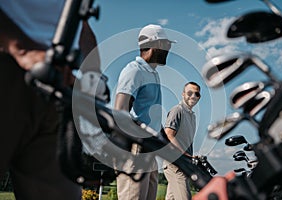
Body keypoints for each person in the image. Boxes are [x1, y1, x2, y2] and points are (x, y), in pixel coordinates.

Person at [0, 1, 103, 199]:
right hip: (9, 64)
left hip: (57, 83)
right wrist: (21, 48)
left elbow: (82, 24)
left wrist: (93, 77)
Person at [114, 24, 175, 200]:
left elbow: (150, 119)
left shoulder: (153, 74)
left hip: (149, 150)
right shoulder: (134, 70)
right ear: (156, 45)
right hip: (135, 149)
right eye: (167, 44)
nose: (169, 49)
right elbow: (120, 111)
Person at [163, 81, 201, 200]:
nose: (193, 96)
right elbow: (168, 134)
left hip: (183, 164)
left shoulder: (192, 116)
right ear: (183, 94)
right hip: (175, 163)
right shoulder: (177, 110)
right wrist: (184, 155)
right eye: (190, 93)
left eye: (197, 94)